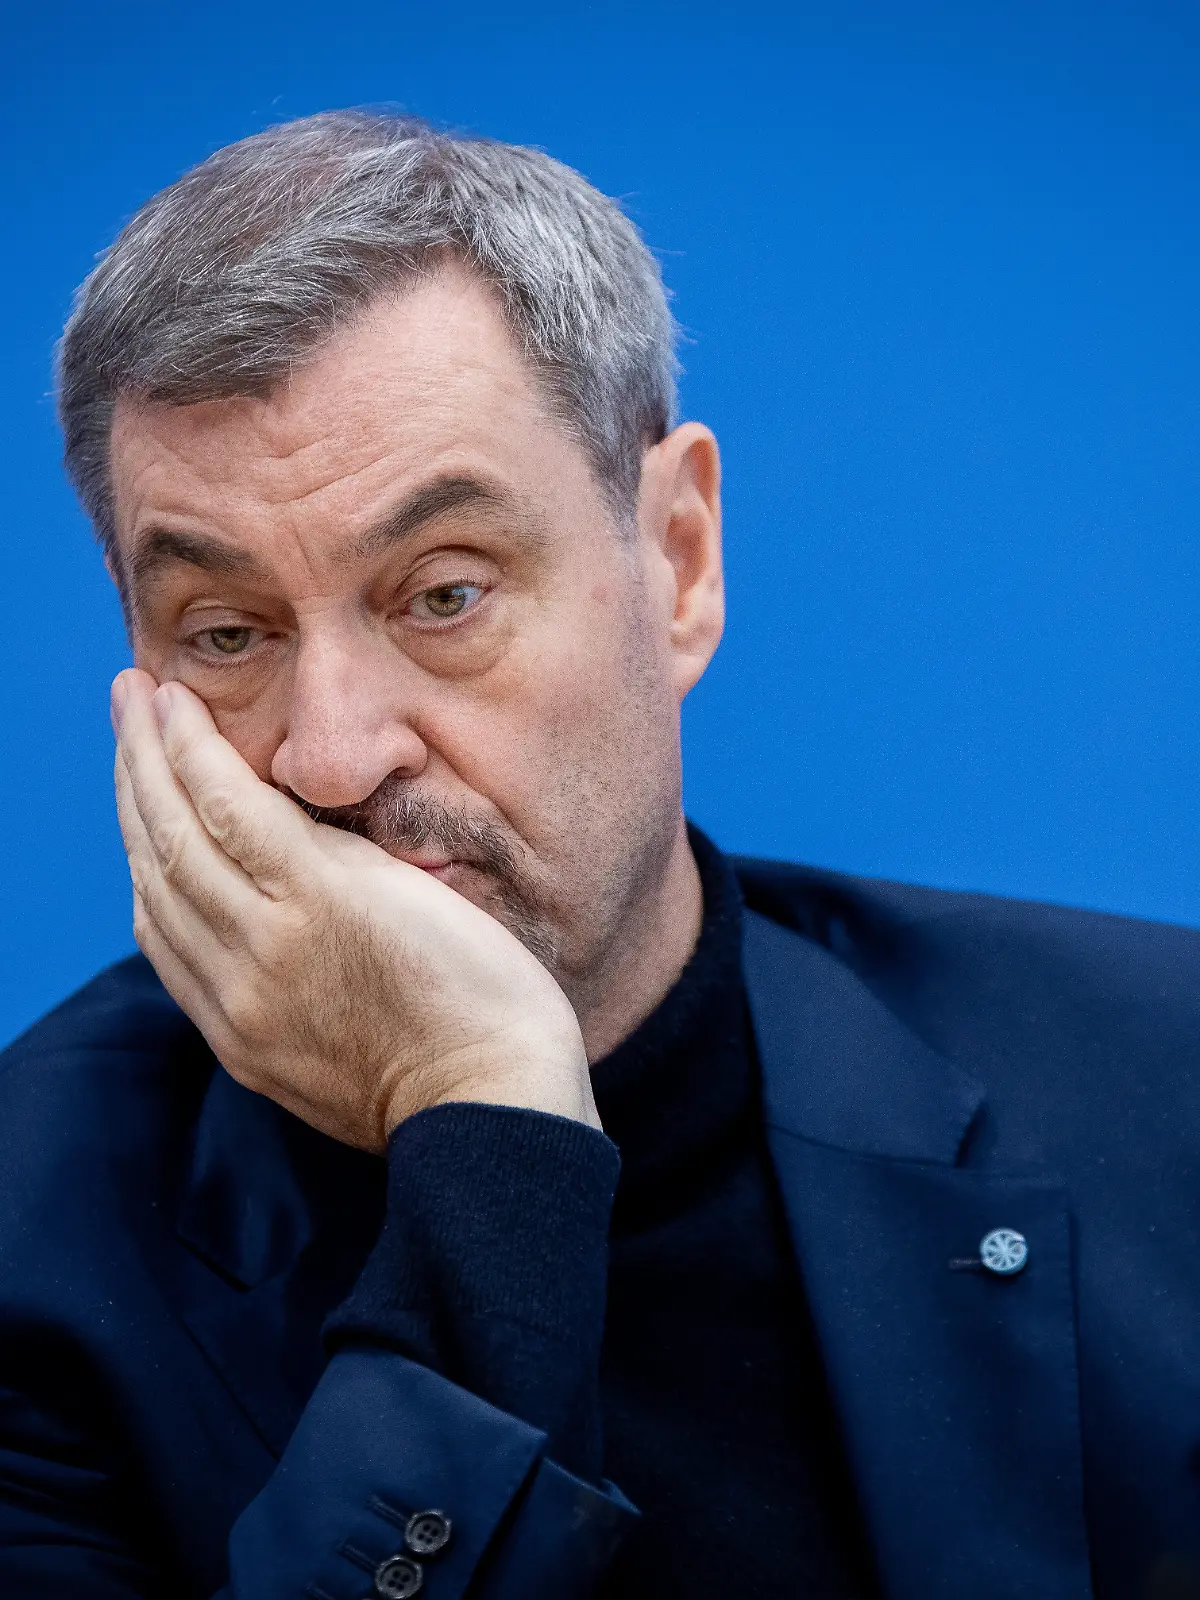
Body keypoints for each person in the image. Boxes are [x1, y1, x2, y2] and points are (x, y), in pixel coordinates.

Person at [0, 109, 1196, 1600]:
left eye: (443, 594)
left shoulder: (1165, 1087)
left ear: (677, 559)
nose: (333, 755)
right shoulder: (32, 1256)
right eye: (229, 634)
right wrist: (487, 1127)